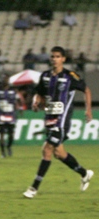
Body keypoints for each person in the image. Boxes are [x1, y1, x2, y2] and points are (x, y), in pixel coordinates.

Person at [23, 46, 93, 199]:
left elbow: (87, 90)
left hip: (62, 121)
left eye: (57, 56)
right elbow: (40, 94)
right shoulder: (45, 76)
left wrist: (88, 110)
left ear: (63, 59)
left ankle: (33, 188)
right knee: (59, 153)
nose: (54, 59)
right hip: (50, 118)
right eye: (52, 56)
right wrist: (36, 103)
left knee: (47, 149)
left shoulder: (70, 76)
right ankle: (85, 173)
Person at [0, 74, 23, 158]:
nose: (5, 80)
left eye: (7, 79)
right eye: (4, 78)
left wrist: (21, 108)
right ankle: (3, 152)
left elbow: (19, 100)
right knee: (1, 135)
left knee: (11, 135)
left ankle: (9, 146)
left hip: (11, 115)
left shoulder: (13, 90)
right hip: (1, 115)